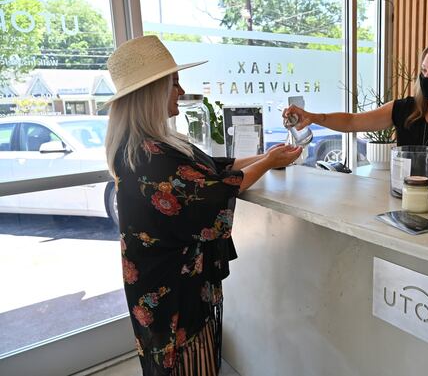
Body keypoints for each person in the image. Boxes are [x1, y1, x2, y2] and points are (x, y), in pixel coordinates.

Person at [104, 35, 301, 376]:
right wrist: (268, 162)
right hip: (172, 296)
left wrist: (270, 157)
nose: (180, 92)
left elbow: (214, 169)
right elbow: (210, 194)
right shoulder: (149, 160)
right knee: (186, 362)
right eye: (174, 84)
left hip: (167, 284)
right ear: (151, 93)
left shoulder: (148, 146)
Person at [283, 36, 428, 166]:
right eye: (423, 71)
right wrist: (312, 118)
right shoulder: (405, 109)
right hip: (405, 206)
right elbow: (352, 122)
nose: (427, 78)